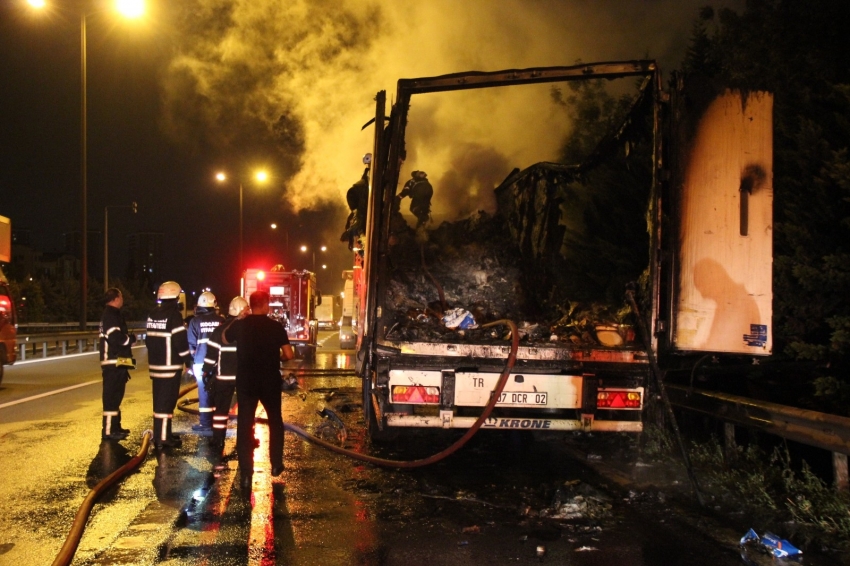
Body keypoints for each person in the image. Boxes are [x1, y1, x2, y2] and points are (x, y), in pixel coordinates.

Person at [222, 290, 294, 490]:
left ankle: (246, 474)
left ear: (251, 306)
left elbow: (225, 338)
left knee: (244, 426)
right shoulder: (275, 327)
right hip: (269, 381)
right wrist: (276, 357)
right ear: (266, 305)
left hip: (246, 382)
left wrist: (239, 319)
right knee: (275, 422)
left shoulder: (240, 325)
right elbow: (288, 354)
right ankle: (276, 464)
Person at [146, 280, 193, 449]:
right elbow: (180, 341)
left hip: (156, 366)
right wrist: (188, 360)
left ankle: (161, 434)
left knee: (159, 403)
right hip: (170, 367)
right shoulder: (174, 316)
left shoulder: (152, 313)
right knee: (167, 403)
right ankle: (164, 438)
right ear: (175, 296)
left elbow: (148, 340)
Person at [202, 296, 248, 449]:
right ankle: (246, 440)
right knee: (246, 410)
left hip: (223, 378)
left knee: (221, 410)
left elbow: (211, 354)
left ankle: (218, 440)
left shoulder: (220, 330)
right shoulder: (249, 329)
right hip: (244, 378)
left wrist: (205, 371)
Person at [98, 288, 136, 441]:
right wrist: (131, 339)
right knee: (111, 398)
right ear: (115, 299)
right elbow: (116, 339)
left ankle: (115, 427)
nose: (122, 299)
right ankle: (108, 431)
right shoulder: (110, 316)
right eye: (121, 296)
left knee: (116, 397)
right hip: (113, 363)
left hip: (117, 362)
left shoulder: (113, 315)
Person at [187, 291, 224, 433]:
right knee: (217, 391)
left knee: (204, 392)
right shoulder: (221, 320)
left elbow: (191, 345)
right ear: (214, 304)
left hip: (201, 362)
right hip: (219, 362)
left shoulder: (195, 321)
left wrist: (191, 362)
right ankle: (216, 421)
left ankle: (205, 423)